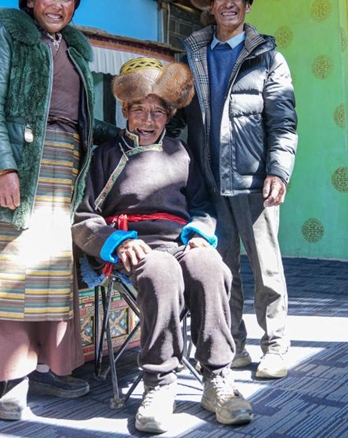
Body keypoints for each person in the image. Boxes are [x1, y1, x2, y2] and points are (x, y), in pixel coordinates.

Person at [0, 0, 115, 420]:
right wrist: (3, 168)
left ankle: (55, 365)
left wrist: (126, 134)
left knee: (52, 271)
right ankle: (14, 378)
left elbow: (81, 120)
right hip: (18, 165)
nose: (59, 5)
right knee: (12, 270)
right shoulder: (8, 30)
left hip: (64, 168)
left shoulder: (75, 48)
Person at [73, 57, 253, 434]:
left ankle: (217, 379)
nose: (148, 120)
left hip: (180, 242)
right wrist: (116, 242)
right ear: (125, 111)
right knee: (161, 269)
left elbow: (203, 207)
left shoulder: (181, 153)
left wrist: (200, 236)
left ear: (169, 115)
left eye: (158, 111)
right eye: (139, 110)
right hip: (134, 247)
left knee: (211, 267)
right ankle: (160, 383)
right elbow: (83, 219)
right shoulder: (105, 157)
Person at [168, 0, 299, 380]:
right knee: (221, 271)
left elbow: (283, 121)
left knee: (266, 268)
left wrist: (278, 171)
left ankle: (276, 346)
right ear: (210, 6)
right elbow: (173, 116)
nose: (229, 4)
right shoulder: (192, 55)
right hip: (208, 181)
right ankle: (235, 346)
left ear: (247, 6)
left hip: (255, 181)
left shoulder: (269, 57)